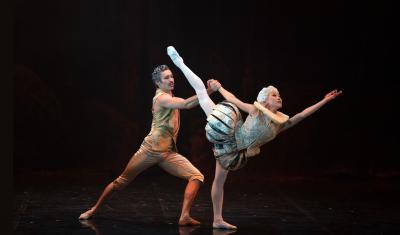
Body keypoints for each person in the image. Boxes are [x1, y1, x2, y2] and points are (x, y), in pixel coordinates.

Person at [167, 46, 342, 229]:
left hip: (236, 152)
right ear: (265, 100)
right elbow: (235, 100)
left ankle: (217, 220)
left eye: (279, 95)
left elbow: (301, 115)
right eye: (275, 95)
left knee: (219, 181)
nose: (279, 97)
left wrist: (325, 100)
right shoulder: (256, 110)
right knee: (202, 93)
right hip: (228, 131)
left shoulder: (279, 124)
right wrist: (219, 88)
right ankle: (179, 62)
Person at [79, 64, 220, 226]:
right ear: (158, 83)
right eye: (166, 77)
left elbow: (189, 102)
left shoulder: (171, 97)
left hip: (167, 153)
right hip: (150, 150)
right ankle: (94, 209)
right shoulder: (161, 98)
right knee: (121, 182)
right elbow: (187, 104)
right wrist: (209, 91)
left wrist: (207, 91)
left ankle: (184, 216)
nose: (171, 79)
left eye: (172, 76)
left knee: (196, 177)